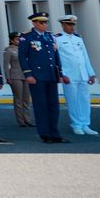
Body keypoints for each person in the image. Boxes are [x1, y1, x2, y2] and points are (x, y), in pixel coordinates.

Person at [19, 12, 68, 144]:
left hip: (51, 74)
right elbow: (23, 57)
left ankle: (55, 133)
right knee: (41, 106)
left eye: (45, 22)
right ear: (34, 23)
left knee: (53, 106)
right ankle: (45, 134)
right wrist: (28, 74)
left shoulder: (50, 37)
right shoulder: (27, 37)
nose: (44, 25)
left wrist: (60, 73)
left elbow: (55, 56)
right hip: (37, 76)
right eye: (41, 22)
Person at [54, 14, 98, 136]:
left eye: (73, 24)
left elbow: (85, 57)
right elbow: (57, 59)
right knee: (73, 101)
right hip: (69, 74)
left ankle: (85, 124)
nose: (71, 27)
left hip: (82, 73)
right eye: (69, 24)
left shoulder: (78, 39)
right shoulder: (57, 39)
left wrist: (91, 73)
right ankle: (76, 124)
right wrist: (62, 74)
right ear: (63, 25)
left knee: (84, 100)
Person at [3, 31, 35, 128]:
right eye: (17, 39)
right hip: (15, 75)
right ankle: (21, 121)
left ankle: (28, 119)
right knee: (18, 99)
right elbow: (6, 65)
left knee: (26, 99)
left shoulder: (24, 48)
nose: (19, 40)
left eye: (20, 38)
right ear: (12, 40)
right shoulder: (9, 50)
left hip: (25, 75)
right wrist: (7, 77)